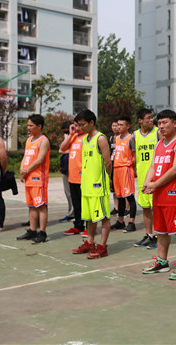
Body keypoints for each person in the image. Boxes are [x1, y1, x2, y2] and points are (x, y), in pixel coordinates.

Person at [140, 109, 176, 279]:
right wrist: (147, 182)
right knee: (161, 231)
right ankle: (162, 261)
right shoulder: (159, 144)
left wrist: (155, 184)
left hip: (174, 194)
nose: (161, 126)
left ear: (174, 124)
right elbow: (153, 166)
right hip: (158, 194)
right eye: (159, 123)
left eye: (165, 122)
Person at [71, 109, 113, 259]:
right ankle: (90, 242)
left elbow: (108, 162)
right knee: (89, 217)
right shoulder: (84, 139)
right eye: (79, 125)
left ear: (91, 122)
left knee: (103, 217)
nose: (80, 127)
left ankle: (102, 247)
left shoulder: (100, 139)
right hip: (87, 185)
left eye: (82, 124)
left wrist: (108, 178)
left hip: (98, 185)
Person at [17, 114, 50, 244]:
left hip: (38, 178)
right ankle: (32, 230)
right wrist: (22, 170)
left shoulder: (44, 141)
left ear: (39, 126)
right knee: (31, 206)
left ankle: (42, 232)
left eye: (31, 125)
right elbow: (25, 157)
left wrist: (27, 170)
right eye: (28, 125)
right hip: (29, 178)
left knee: (41, 206)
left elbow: (40, 159)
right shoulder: (29, 140)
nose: (28, 128)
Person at [132, 108, 160, 248]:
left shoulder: (158, 133)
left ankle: (159, 235)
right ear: (140, 120)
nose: (151, 120)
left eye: (151, 117)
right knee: (146, 207)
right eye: (148, 118)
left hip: (156, 176)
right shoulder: (135, 135)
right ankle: (149, 235)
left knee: (157, 208)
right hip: (142, 176)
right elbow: (134, 155)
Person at [59, 118, 87, 236]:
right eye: (75, 125)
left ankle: (89, 227)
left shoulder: (87, 137)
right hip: (73, 176)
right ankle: (78, 226)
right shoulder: (73, 136)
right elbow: (62, 148)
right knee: (76, 203)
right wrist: (70, 134)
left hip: (84, 176)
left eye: (79, 125)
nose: (76, 127)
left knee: (86, 204)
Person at [110, 116, 137, 232]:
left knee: (129, 196)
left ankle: (132, 223)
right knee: (119, 196)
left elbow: (135, 156)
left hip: (126, 169)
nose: (119, 127)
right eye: (118, 125)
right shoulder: (116, 138)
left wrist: (133, 169)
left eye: (121, 125)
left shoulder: (131, 139)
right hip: (116, 169)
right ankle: (120, 221)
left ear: (128, 126)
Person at [59, 121, 74, 222]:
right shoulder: (68, 139)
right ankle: (70, 212)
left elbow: (73, 151)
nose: (66, 134)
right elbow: (61, 149)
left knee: (73, 193)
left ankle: (73, 213)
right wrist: (67, 137)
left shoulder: (76, 138)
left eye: (67, 131)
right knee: (67, 192)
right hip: (65, 168)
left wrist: (70, 136)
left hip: (73, 169)